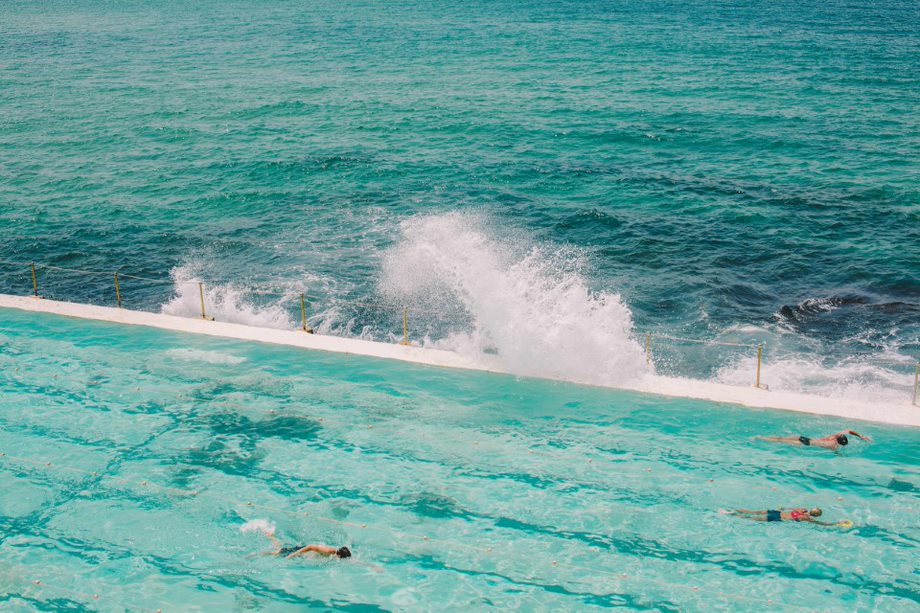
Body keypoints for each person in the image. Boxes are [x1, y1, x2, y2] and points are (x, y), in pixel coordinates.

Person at [241, 519, 351, 559]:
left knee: (279, 548)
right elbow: (311, 547)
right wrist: (293, 555)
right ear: (340, 556)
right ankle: (254, 554)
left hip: (301, 550)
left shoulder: (334, 553)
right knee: (276, 552)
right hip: (301, 550)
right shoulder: (330, 551)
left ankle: (269, 534)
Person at [724, 507, 852, 528]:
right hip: (776, 518)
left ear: (813, 510)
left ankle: (733, 510)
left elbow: (791, 508)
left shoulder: (803, 510)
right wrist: (836, 523)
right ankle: (733, 514)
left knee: (754, 512)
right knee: (752, 518)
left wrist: (783, 508)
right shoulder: (805, 518)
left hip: (777, 513)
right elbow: (821, 524)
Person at [755, 429, 871, 451]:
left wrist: (861, 436)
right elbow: (835, 452)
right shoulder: (833, 445)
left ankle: (761, 437)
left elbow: (849, 430)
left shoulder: (833, 436)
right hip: (806, 444)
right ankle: (761, 439)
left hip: (805, 438)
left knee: (781, 438)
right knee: (781, 441)